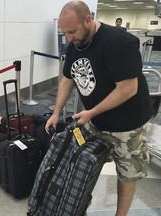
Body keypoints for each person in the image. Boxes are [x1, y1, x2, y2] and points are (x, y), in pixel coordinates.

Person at [45, 1, 154, 216]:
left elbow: (128, 88)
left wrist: (92, 112)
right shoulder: (76, 44)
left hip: (127, 125)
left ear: (88, 20)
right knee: (83, 165)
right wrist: (57, 112)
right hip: (95, 122)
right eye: (64, 33)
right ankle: (77, 205)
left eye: (72, 31)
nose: (69, 38)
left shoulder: (118, 42)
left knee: (127, 174)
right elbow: (67, 79)